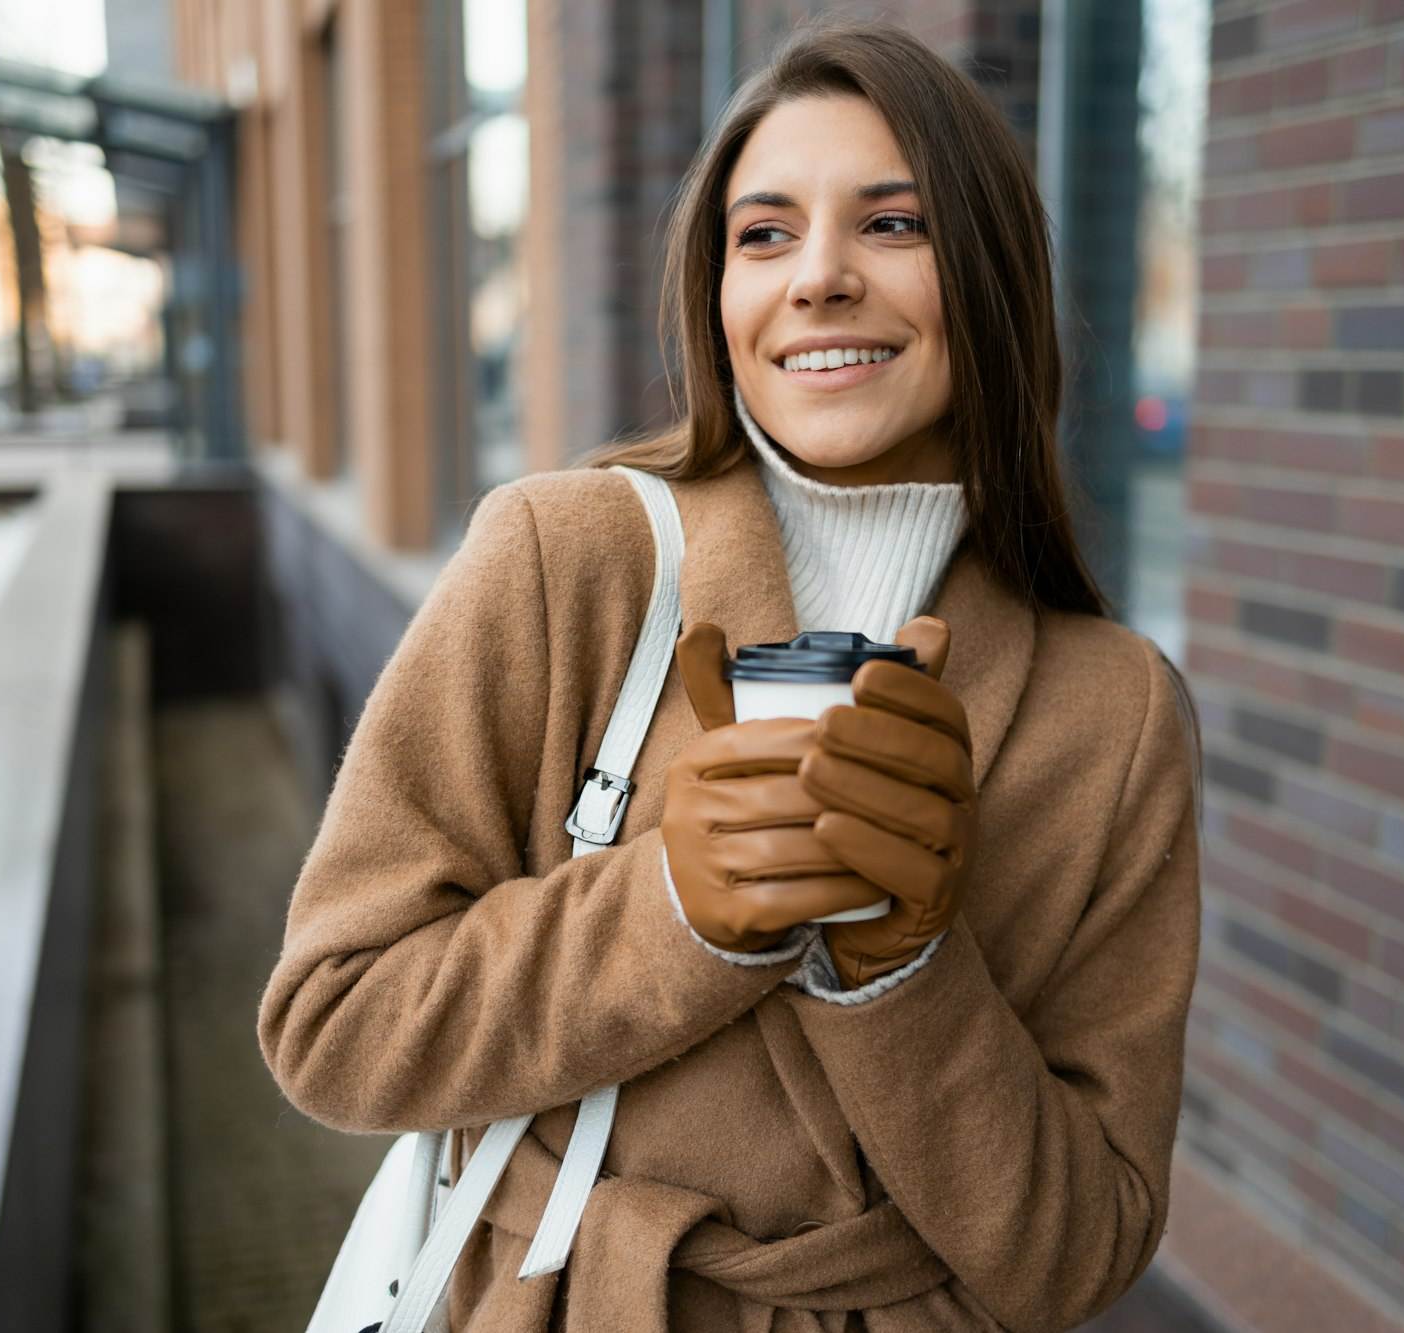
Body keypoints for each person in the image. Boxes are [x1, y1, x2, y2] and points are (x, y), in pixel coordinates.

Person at [258, 15, 1202, 1332]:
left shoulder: (1117, 711)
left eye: (891, 224)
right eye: (763, 234)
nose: (816, 277)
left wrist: (904, 969)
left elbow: (1078, 1250)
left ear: (988, 275)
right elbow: (332, 1021)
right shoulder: (567, 555)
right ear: (716, 293)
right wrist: (671, 909)